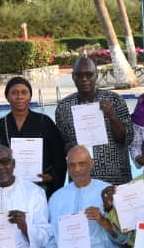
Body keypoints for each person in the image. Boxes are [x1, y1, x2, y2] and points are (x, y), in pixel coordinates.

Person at [55, 57, 134, 186]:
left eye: (89, 74)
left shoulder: (115, 100)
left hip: (116, 178)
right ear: (73, 77)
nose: (84, 79)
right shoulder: (63, 107)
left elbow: (127, 138)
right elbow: (61, 144)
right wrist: (67, 148)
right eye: (79, 75)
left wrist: (112, 115)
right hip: (82, 179)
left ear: (96, 75)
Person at [0, 76, 66, 198]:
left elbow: (59, 155)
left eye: (24, 92)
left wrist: (52, 176)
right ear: (7, 97)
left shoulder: (45, 122)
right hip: (7, 189)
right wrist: (1, 177)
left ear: (30, 96)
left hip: (41, 187)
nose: (19, 97)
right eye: (14, 93)